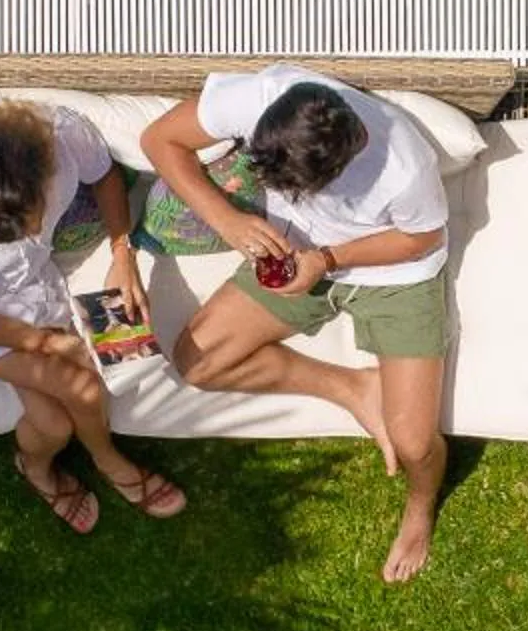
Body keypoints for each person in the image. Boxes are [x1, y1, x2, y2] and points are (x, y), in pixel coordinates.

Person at [140, 67, 449, 582]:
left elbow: (422, 240)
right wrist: (228, 219)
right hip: (293, 250)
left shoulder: (404, 166)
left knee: (415, 444)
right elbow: (160, 139)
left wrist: (326, 261)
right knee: (196, 362)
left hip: (392, 272)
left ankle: (421, 506)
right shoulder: (266, 95)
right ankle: (354, 388)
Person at [0, 101, 187, 533]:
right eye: (5, 236)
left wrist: (123, 256)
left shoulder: (62, 135)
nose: (32, 233)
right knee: (57, 417)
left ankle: (99, 460)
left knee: (77, 394)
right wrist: (49, 343)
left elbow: (104, 177)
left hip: (22, 285)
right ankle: (47, 466)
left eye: (31, 219)